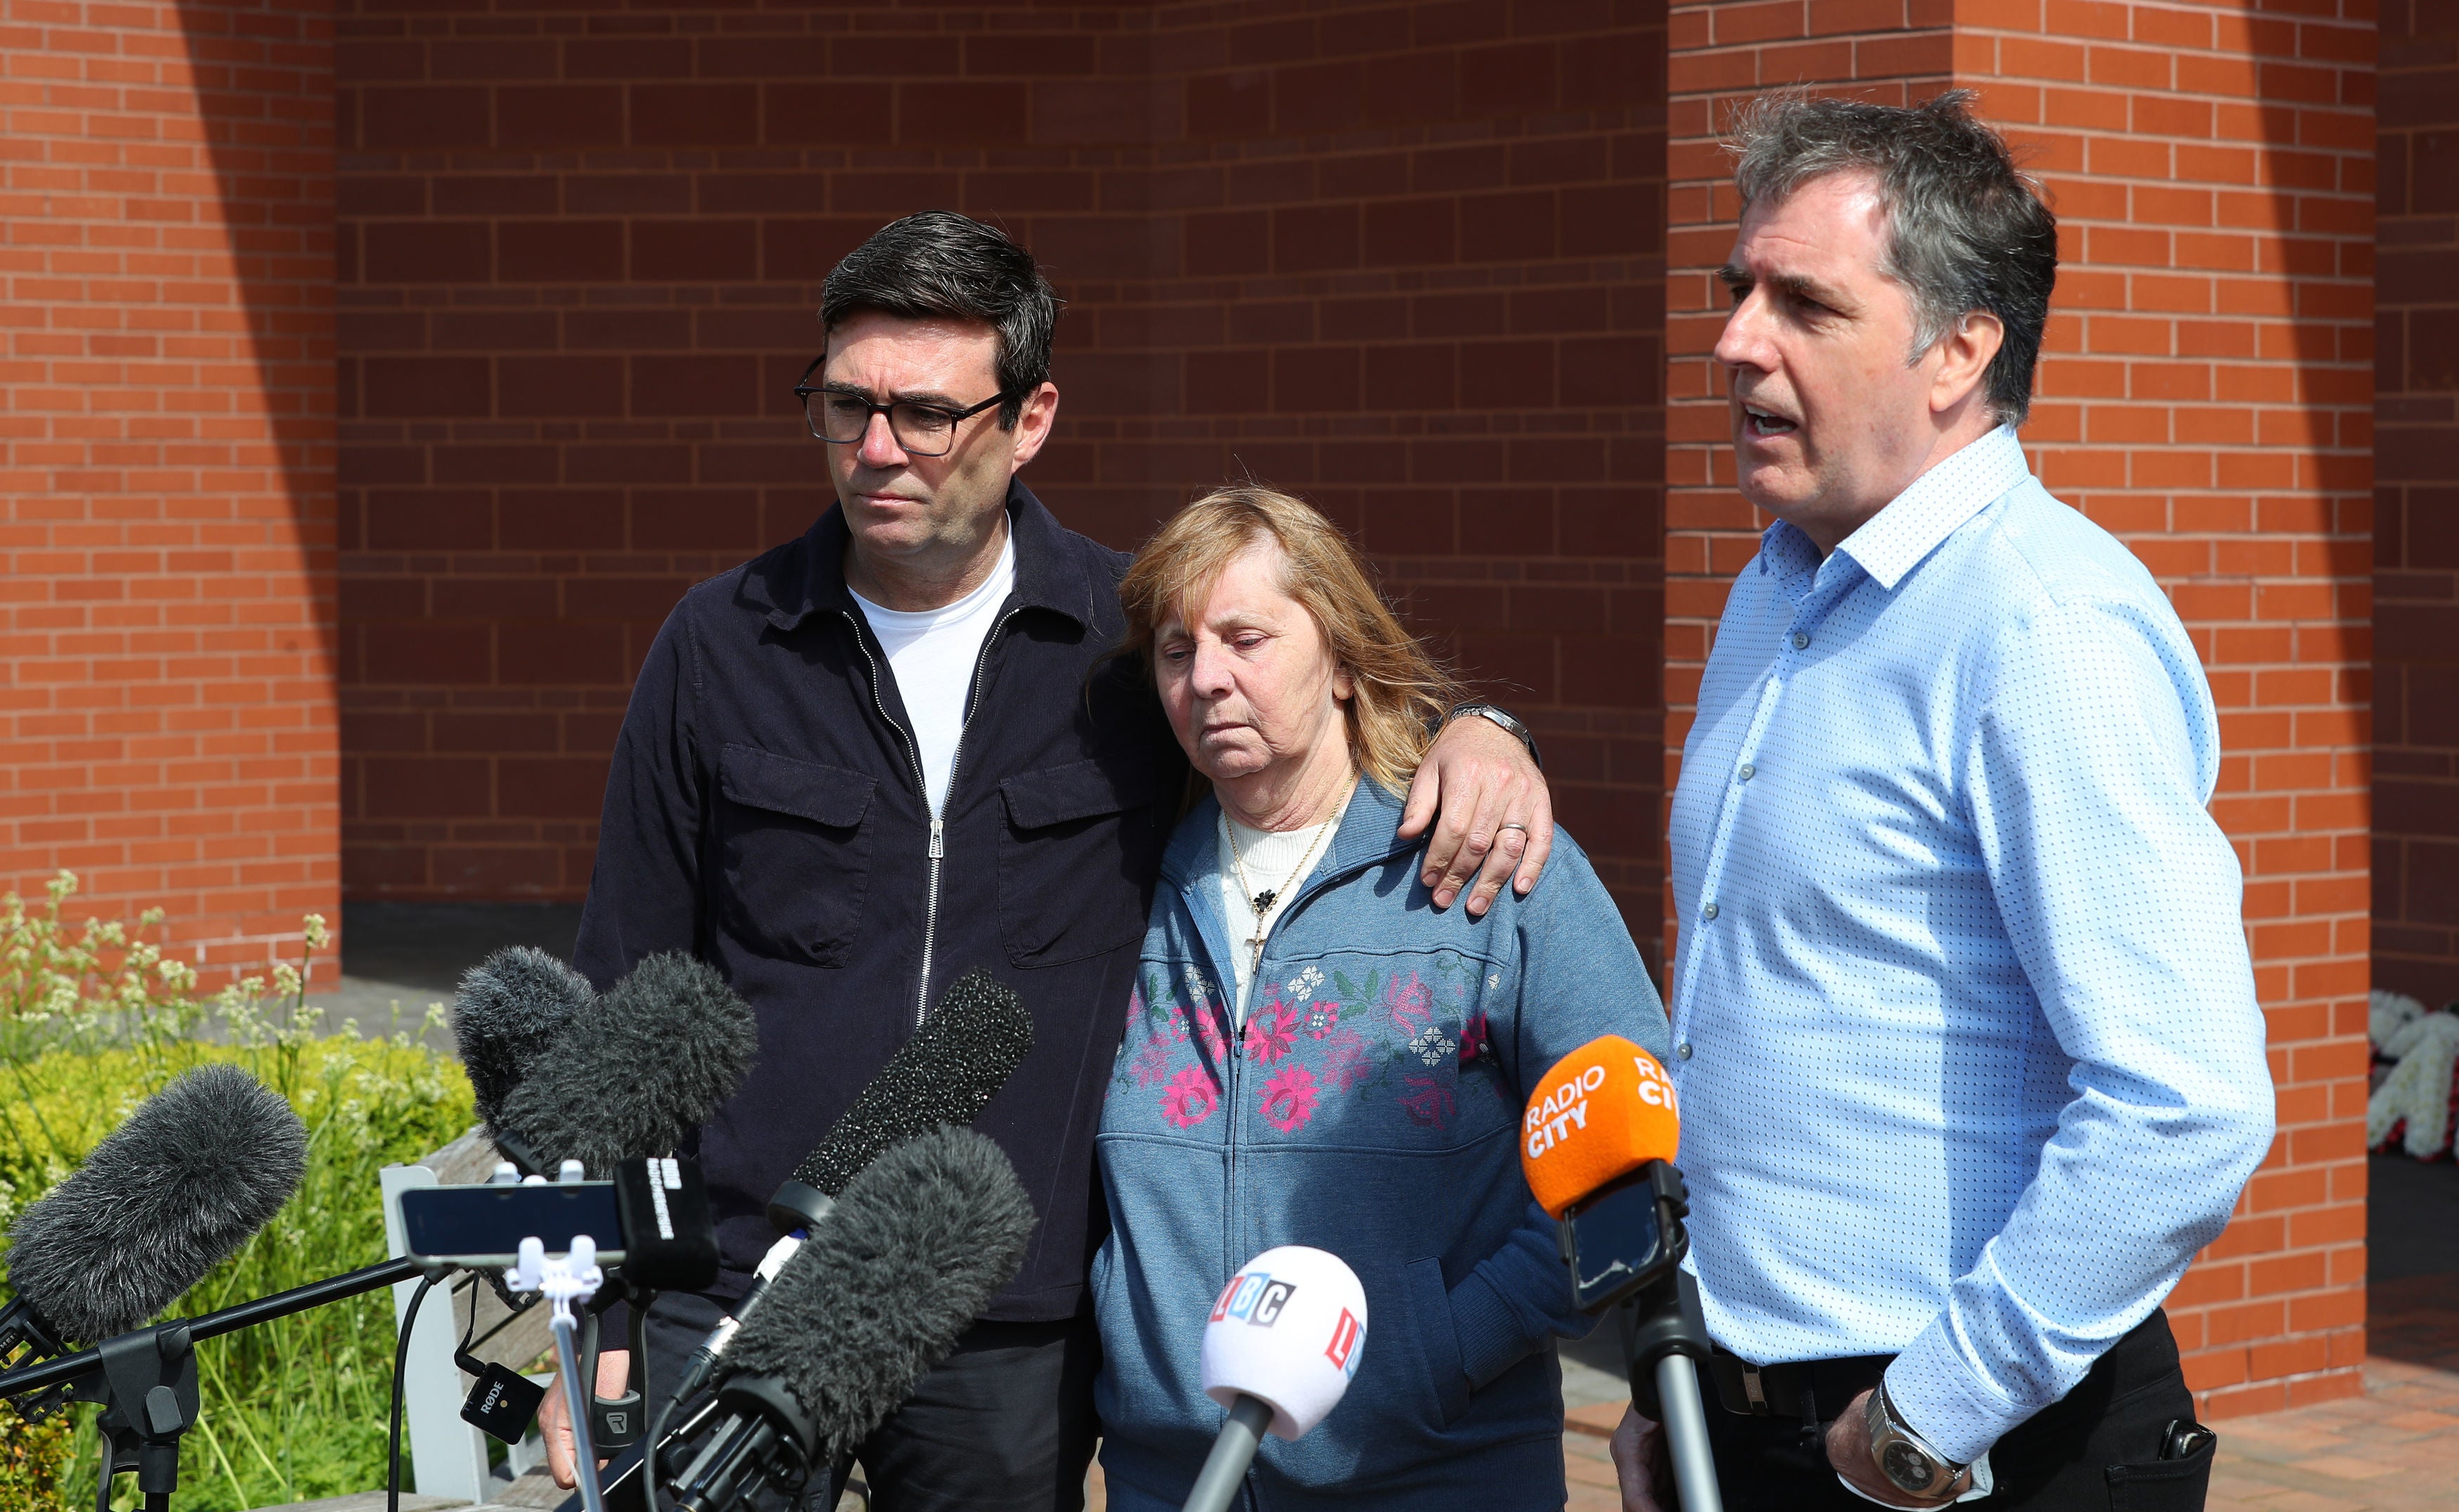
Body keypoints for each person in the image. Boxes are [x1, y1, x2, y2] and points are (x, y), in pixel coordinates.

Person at [541, 211, 1559, 1511]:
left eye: (924, 413)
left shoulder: (1134, 655)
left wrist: (1490, 731)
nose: (875, 448)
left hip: (1007, 1314)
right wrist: (608, 1302)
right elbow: (625, 991)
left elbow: (1316, 741)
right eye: (843, 403)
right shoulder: (720, 645)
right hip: (739, 1291)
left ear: (1030, 420)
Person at [1611, 91, 2274, 1511]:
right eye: (1737, 291)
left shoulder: (2040, 629)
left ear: (1959, 350)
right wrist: (1689, 1387)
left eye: (1802, 303)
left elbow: (2185, 1106)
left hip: (1972, 1451)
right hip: (1762, 1418)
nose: (1733, 340)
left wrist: (1932, 1413)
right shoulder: (1780, 587)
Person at [1091, 485, 1671, 1511]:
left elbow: (1643, 1139)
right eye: (1178, 651)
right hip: (1168, 1480)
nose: (1208, 678)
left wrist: (1443, 1345)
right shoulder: (1118, 885)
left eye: (1246, 637)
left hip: (1439, 1472)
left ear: (1346, 662)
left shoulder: (1484, 866)